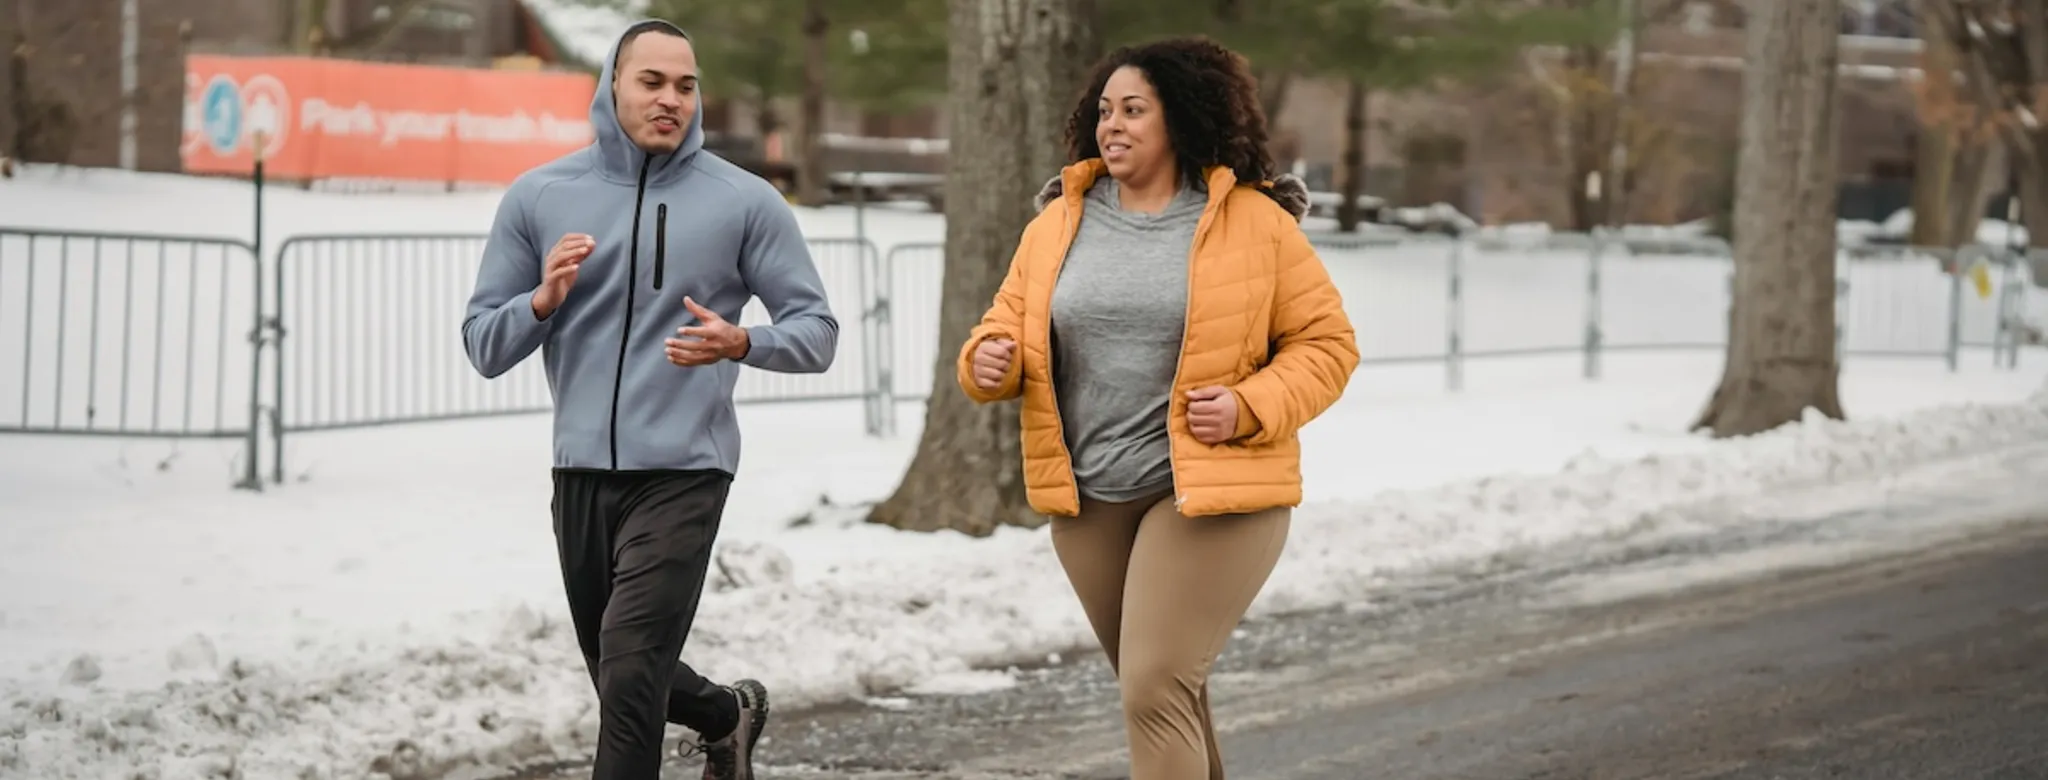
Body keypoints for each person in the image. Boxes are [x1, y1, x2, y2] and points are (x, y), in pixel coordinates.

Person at [955, 37, 1358, 779]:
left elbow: (1327, 346)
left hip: (1212, 493)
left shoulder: (1253, 222)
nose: (1113, 125)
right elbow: (1002, 330)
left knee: (1153, 687)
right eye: (1105, 110)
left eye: (1134, 110)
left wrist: (1247, 405)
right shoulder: (1056, 224)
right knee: (1168, 696)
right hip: (1091, 499)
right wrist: (986, 362)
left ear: (1180, 118)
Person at [461, 18, 838, 780]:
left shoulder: (744, 201)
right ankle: (724, 715)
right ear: (612, 86)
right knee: (622, 671)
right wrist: (540, 301)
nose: (672, 99)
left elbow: (818, 331)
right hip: (580, 474)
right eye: (653, 82)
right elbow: (483, 344)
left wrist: (743, 342)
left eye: (686, 85)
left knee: (629, 681)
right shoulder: (540, 197)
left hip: (685, 471)